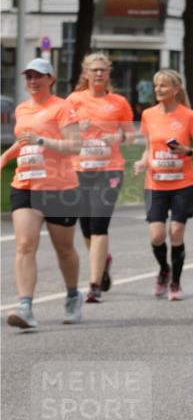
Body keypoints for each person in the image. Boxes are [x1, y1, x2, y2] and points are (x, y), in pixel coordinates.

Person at [3, 59, 83, 329]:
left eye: (39, 76)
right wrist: (4, 157)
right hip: (25, 183)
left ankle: (73, 295)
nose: (33, 81)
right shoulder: (22, 109)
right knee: (25, 244)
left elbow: (74, 146)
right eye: (29, 77)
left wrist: (42, 141)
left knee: (64, 249)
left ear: (51, 79)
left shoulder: (63, 108)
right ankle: (25, 306)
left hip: (59, 187)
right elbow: (23, 139)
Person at [133, 69, 193, 301]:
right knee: (156, 235)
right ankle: (164, 270)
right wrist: (142, 162)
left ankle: (175, 283)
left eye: (163, 86)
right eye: (156, 86)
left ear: (176, 90)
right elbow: (149, 148)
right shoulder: (148, 115)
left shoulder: (188, 116)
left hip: (183, 184)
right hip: (155, 184)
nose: (158, 90)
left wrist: (187, 151)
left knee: (175, 231)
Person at [67, 53, 134, 303]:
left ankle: (94, 285)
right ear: (85, 73)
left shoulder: (118, 102)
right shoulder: (73, 101)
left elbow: (131, 136)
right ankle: (102, 260)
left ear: (108, 73)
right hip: (80, 169)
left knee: (99, 225)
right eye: (94, 70)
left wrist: (117, 138)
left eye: (102, 70)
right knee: (86, 229)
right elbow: (60, 134)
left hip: (110, 170)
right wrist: (76, 129)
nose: (98, 74)